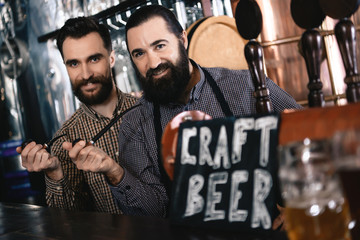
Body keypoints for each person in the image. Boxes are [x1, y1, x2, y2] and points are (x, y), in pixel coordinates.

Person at [63, 4, 302, 220]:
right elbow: (154, 211)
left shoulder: (245, 86)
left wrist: (292, 205)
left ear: (183, 39)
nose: (153, 63)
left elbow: (311, 139)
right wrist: (114, 172)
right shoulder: (135, 125)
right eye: (140, 53)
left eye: (160, 46)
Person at [16, 17, 137, 214]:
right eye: (74, 64)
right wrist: (54, 173)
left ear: (112, 58)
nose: (86, 74)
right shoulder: (64, 140)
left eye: (94, 59)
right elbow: (68, 221)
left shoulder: (148, 111)